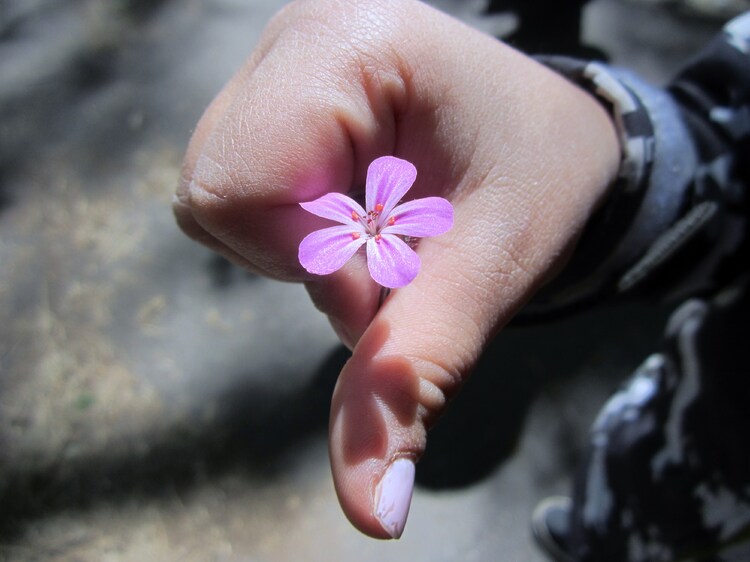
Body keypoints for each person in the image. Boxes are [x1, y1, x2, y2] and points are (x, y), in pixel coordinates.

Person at [173, 0, 749, 558]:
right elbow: (725, 128)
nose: (371, 220)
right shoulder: (369, 219)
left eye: (375, 218)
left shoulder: (387, 232)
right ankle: (595, 528)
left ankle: (609, 530)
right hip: (678, 419)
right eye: (370, 218)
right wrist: (622, 155)